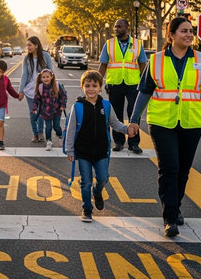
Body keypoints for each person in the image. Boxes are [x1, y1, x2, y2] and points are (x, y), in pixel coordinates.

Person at [128, 17, 201, 237]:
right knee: (169, 168)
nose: (189, 35)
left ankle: (175, 206)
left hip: (192, 122)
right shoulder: (157, 60)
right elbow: (144, 91)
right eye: (184, 31)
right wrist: (134, 119)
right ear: (171, 34)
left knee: (183, 170)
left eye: (191, 31)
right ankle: (169, 218)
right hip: (162, 122)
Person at [65, 71, 136, 222]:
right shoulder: (77, 107)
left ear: (100, 88)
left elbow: (114, 123)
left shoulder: (106, 105)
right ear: (82, 87)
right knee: (86, 181)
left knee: (103, 178)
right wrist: (70, 150)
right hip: (83, 150)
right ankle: (87, 209)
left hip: (102, 150)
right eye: (87, 86)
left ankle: (97, 192)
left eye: (94, 86)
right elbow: (71, 130)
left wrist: (126, 129)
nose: (91, 89)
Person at [98, 18, 148, 154]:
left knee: (134, 114)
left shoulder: (137, 44)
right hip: (115, 84)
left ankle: (134, 143)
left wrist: (146, 83)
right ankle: (119, 142)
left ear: (127, 27)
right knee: (116, 114)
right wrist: (97, 82)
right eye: (115, 27)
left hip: (133, 84)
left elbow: (143, 64)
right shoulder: (109, 44)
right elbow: (103, 64)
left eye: (119, 27)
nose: (116, 29)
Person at [18, 36, 53, 143]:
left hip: (43, 89)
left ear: (36, 45)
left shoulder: (46, 56)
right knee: (33, 112)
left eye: (30, 45)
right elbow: (24, 74)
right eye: (27, 45)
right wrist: (21, 90)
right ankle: (35, 134)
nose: (27, 47)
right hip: (29, 90)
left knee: (41, 111)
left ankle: (40, 132)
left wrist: (52, 88)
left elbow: (51, 72)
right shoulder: (27, 58)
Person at [31, 69, 67, 150]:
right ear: (41, 78)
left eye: (47, 77)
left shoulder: (57, 85)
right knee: (48, 127)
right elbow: (36, 99)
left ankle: (60, 136)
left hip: (56, 111)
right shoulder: (40, 88)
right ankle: (49, 142)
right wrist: (34, 108)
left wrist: (63, 105)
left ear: (52, 77)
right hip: (45, 112)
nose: (46, 79)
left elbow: (63, 96)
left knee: (56, 126)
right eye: (43, 77)